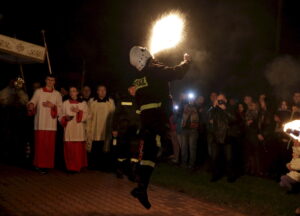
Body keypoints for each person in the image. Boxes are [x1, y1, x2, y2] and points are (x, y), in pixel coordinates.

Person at [129, 46, 191, 209]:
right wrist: (186, 62)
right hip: (157, 117)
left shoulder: (138, 78)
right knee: (164, 147)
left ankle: (141, 188)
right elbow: (176, 73)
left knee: (149, 154)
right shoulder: (154, 69)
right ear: (143, 55)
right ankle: (143, 173)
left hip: (146, 119)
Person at [27, 74, 62, 174]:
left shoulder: (57, 94)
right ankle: (39, 165)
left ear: (54, 82)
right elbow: (33, 101)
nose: (50, 82)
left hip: (51, 125)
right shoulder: (38, 91)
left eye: (52, 80)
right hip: (40, 123)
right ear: (45, 80)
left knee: (49, 147)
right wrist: (31, 105)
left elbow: (61, 108)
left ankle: (47, 165)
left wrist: (53, 106)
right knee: (40, 146)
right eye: (49, 80)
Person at [112, 85, 140, 180]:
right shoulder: (122, 100)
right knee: (122, 151)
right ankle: (119, 170)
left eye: (135, 88)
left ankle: (132, 173)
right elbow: (116, 116)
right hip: (123, 130)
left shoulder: (140, 101)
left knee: (134, 153)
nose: (134, 90)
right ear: (128, 89)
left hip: (135, 131)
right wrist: (115, 129)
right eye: (132, 88)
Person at [207, 93, 236, 182]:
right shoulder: (214, 109)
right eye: (218, 99)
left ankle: (230, 176)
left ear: (225, 100)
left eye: (221, 99)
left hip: (227, 136)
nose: (220, 101)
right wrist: (214, 106)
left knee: (229, 158)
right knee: (215, 158)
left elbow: (233, 119)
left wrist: (225, 110)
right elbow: (208, 117)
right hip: (216, 136)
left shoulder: (229, 108)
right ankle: (215, 175)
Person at [86, 85, 115, 170]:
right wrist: (88, 128)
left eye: (104, 90)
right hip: (94, 128)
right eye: (100, 90)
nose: (102, 92)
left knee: (104, 146)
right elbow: (88, 115)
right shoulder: (92, 101)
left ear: (106, 91)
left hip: (106, 128)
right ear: (97, 91)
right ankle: (93, 165)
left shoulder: (110, 101)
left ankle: (103, 166)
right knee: (94, 146)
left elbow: (113, 116)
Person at [60, 86, 88, 172]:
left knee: (78, 150)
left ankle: (79, 166)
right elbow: (60, 115)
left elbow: (87, 115)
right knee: (70, 149)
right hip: (69, 129)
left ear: (78, 92)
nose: (72, 93)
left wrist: (79, 112)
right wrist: (65, 118)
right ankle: (70, 167)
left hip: (79, 129)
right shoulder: (65, 103)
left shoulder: (83, 103)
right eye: (71, 91)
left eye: (74, 91)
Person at [181, 97, 199, 168]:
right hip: (184, 129)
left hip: (193, 130)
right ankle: (184, 163)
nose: (191, 101)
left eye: (192, 99)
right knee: (184, 147)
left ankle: (191, 164)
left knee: (192, 148)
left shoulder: (197, 107)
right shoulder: (184, 107)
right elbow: (180, 113)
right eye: (190, 99)